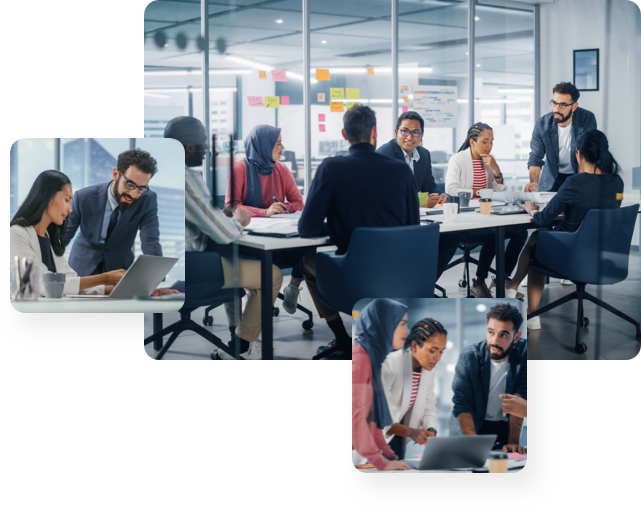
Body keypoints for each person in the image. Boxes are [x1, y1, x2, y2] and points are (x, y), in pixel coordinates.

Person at [298, 104, 419, 359]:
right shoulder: (401, 170)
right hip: (399, 278)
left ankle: (341, 337)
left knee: (306, 262)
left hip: (353, 280)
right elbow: (413, 228)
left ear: (344, 134)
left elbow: (307, 228)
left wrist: (337, 227)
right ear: (375, 132)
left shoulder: (331, 168)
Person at [164, 116, 283, 360]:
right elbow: (224, 233)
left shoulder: (156, 176)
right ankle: (239, 347)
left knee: (235, 259)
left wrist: (220, 217)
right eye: (204, 143)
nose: (207, 148)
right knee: (271, 275)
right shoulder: (185, 178)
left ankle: (237, 333)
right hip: (192, 272)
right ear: (188, 148)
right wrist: (238, 220)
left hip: (161, 268)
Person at [506, 129, 624, 329]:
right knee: (539, 238)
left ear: (578, 154)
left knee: (537, 242)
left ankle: (531, 312)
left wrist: (532, 210)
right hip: (604, 255)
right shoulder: (617, 182)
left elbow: (543, 219)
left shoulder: (574, 183)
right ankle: (513, 287)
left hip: (572, 256)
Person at [225, 124, 308, 314]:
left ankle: (293, 287)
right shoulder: (239, 169)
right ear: (262, 146)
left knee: (308, 245)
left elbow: (298, 202)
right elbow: (232, 207)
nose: (283, 148)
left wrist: (283, 207)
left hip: (278, 235)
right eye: (278, 143)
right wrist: (265, 212)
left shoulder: (282, 170)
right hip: (250, 240)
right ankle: (254, 300)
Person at [10, 170, 127, 296]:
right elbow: (43, 284)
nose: (70, 209)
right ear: (48, 197)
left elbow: (73, 284)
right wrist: (106, 277)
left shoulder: (53, 240)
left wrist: (124, 288)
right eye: (67, 200)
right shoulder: (16, 234)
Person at [445, 122, 528, 298]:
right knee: (494, 232)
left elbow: (499, 191)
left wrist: (496, 169)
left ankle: (501, 280)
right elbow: (451, 189)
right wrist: (478, 192)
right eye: (485, 141)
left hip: (487, 214)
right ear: (472, 141)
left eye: (491, 142)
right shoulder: (458, 159)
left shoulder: (489, 161)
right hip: (466, 220)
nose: (489, 146)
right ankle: (479, 282)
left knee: (520, 232)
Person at [376, 111, 460, 282]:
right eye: (404, 131)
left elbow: (429, 185)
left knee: (452, 236)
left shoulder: (423, 154)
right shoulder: (384, 155)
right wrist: (421, 202)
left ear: (421, 135)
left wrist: (440, 195)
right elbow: (386, 196)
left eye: (415, 132)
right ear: (396, 132)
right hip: (391, 222)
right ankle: (414, 285)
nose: (409, 137)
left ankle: (424, 283)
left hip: (418, 219)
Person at [65, 149, 164, 279]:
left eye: (141, 188)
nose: (133, 194)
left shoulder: (147, 199)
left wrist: (156, 282)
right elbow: (61, 239)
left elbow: (151, 243)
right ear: (116, 174)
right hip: (81, 273)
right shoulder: (83, 197)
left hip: (119, 274)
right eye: (130, 184)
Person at [449, 302, 527, 454]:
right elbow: (462, 403)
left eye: (503, 335)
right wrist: (473, 444)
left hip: (504, 425)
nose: (494, 341)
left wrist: (513, 442)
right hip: (470, 424)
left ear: (516, 337)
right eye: (491, 332)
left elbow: (519, 397)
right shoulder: (470, 356)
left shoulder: (524, 353)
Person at [352, 298, 413, 471]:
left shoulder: (373, 358)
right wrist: (382, 463)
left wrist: (389, 455)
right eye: (402, 324)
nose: (407, 331)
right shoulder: (360, 358)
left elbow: (373, 418)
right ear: (384, 323)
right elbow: (356, 417)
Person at [526, 81, 597, 193]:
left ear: (574, 107)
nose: (556, 109)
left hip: (577, 175)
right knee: (548, 209)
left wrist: (583, 186)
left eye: (563, 105)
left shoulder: (586, 119)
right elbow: (536, 157)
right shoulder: (542, 124)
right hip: (551, 179)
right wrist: (534, 182)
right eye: (554, 103)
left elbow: (585, 154)